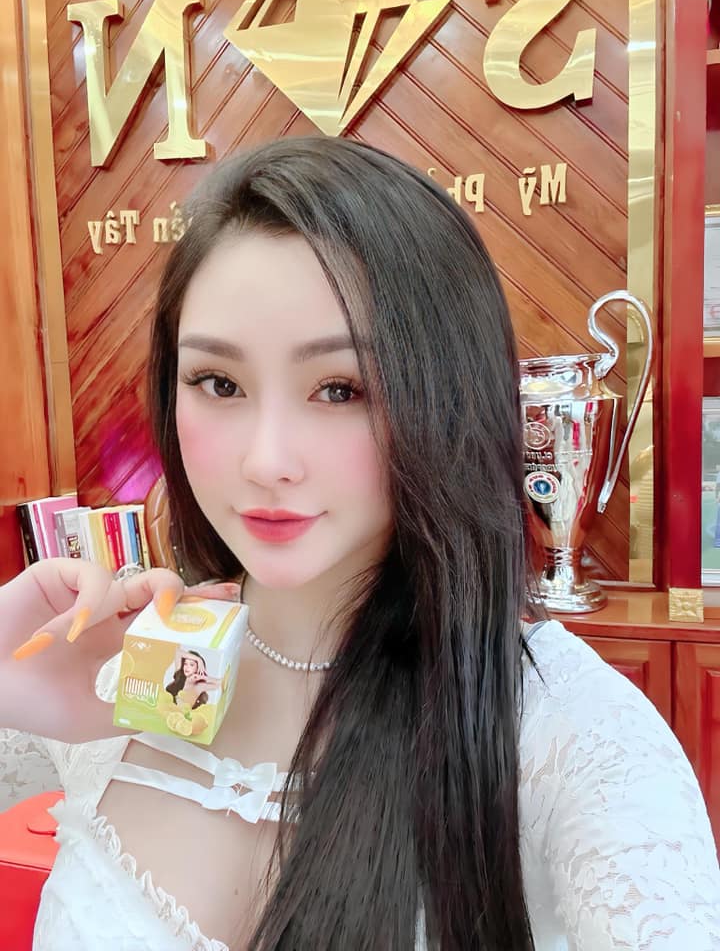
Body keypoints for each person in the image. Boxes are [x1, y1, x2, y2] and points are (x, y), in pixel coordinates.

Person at [1, 136, 719, 950]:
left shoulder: (570, 739)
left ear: (447, 401)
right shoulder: (119, 673)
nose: (267, 461)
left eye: (341, 389)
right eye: (219, 383)